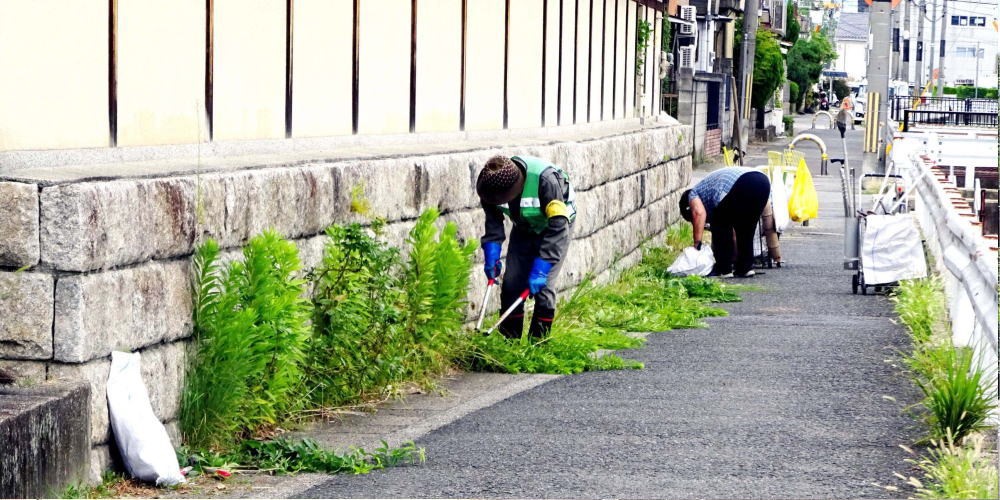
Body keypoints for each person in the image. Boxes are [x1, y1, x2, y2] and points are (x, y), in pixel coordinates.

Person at [477, 155, 576, 339]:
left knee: (544, 286)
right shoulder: (490, 187)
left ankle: (538, 345)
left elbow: (558, 226)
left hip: (556, 227)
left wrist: (542, 268)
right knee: (512, 283)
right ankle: (509, 342)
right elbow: (493, 225)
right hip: (524, 227)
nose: (498, 202)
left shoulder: (545, 181)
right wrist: (492, 254)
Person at [678, 167, 770, 278]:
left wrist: (697, 244)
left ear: (687, 208)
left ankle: (724, 269)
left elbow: (699, 214)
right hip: (763, 182)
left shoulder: (692, 194)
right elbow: (735, 236)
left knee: (720, 224)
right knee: (745, 228)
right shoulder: (707, 192)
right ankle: (745, 268)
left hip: (743, 182)